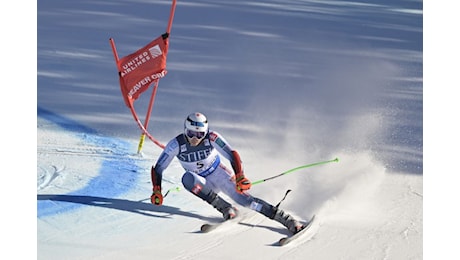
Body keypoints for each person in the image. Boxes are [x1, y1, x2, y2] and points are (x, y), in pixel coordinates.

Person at [150, 112, 304, 234]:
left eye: (199, 134)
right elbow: (158, 168)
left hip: (219, 174)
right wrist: (157, 190)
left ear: (205, 132)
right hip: (202, 182)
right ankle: (225, 208)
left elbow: (232, 154)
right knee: (188, 179)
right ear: (185, 130)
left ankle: (288, 221)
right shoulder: (176, 144)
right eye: (191, 133)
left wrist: (239, 177)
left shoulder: (212, 138)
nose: (195, 138)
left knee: (248, 202)